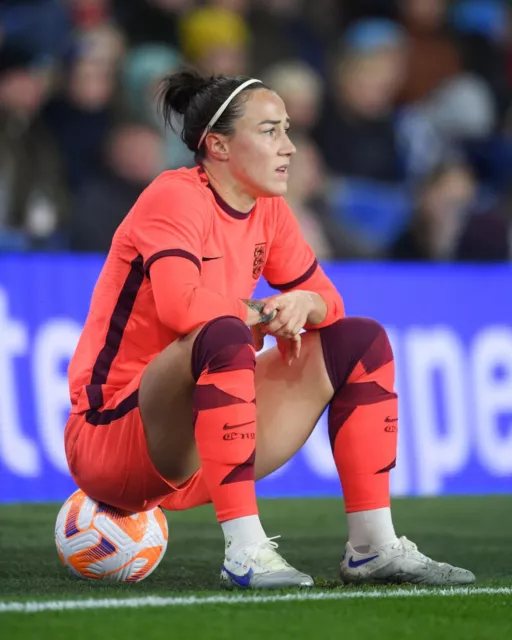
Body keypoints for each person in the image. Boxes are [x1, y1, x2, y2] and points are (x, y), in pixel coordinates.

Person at [64, 69, 475, 589]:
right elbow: (180, 307)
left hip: (197, 450)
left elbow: (331, 305)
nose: (291, 148)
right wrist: (267, 312)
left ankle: (373, 546)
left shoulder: (269, 210)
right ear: (217, 145)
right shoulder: (174, 196)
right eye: (270, 131)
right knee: (223, 331)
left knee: (361, 342)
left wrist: (303, 301)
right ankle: (245, 549)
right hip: (111, 439)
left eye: (287, 130)